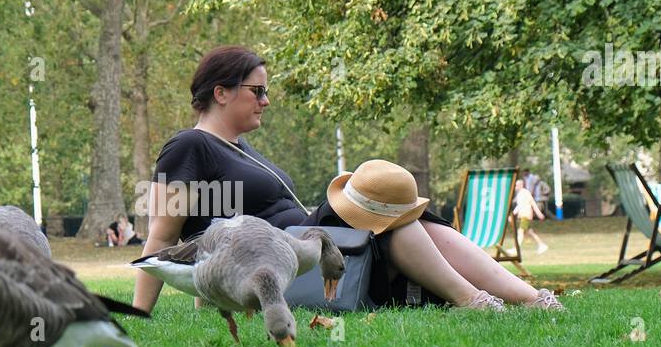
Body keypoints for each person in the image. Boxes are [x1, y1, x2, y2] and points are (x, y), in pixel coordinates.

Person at [133, 45, 563, 313]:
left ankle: (526, 297)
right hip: (286, 250)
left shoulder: (239, 149)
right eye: (256, 90)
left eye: (266, 90)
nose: (266, 100)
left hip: (303, 240)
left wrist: (208, 295)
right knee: (394, 220)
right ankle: (472, 300)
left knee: (415, 216)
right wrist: (144, 312)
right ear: (220, 92)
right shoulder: (188, 146)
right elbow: (162, 236)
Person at [512, 178, 549, 254]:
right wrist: (513, 213)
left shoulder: (525, 192)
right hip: (522, 216)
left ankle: (516, 249)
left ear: (521, 185)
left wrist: (539, 214)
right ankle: (542, 245)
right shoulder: (519, 194)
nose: (515, 186)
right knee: (530, 232)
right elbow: (519, 206)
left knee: (520, 232)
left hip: (526, 215)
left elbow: (533, 203)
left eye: (517, 185)